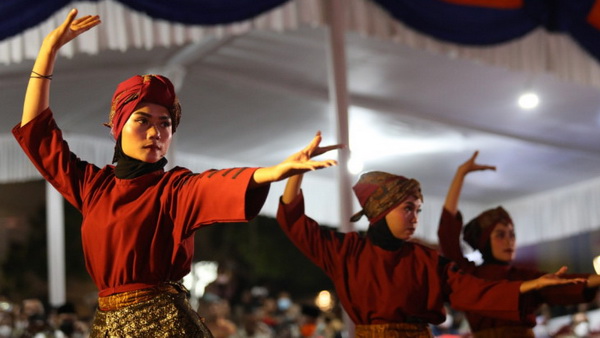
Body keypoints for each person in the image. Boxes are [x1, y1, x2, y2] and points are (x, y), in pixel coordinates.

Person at [13, 9, 337, 337]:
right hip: (106, 326)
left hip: (163, 327)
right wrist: (47, 54)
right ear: (118, 127)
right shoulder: (93, 186)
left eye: (164, 123)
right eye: (143, 121)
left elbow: (216, 185)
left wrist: (273, 172)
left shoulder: (175, 188)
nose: (156, 132)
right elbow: (38, 136)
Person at [276, 144, 586, 337]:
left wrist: (532, 285)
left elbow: (474, 291)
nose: (415, 217)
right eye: (408, 209)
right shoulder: (346, 252)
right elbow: (294, 222)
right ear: (381, 211)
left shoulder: (427, 260)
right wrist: (296, 172)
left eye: (418, 210)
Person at [438, 151, 600, 337]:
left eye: (512, 234)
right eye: (500, 235)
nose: (509, 241)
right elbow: (447, 234)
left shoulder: (522, 275)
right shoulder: (470, 275)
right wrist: (460, 174)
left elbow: (564, 284)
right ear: (483, 241)